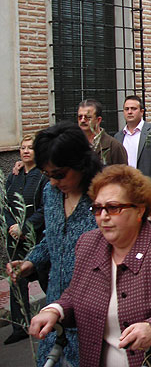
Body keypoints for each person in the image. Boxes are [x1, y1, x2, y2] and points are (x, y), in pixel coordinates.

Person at [28, 164, 151, 366]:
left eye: (113, 208)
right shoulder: (88, 244)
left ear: (139, 210)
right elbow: (77, 293)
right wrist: (56, 310)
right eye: (98, 208)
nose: (103, 216)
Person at [6, 122, 101, 366]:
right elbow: (53, 237)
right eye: (47, 175)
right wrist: (30, 262)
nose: (54, 181)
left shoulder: (104, 198)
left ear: (80, 163)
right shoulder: (50, 192)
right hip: (55, 306)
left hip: (94, 310)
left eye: (59, 174)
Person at [3, 135, 46, 345]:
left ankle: (54, 318)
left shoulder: (43, 177)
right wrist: (12, 225)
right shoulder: (15, 175)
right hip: (15, 238)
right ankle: (20, 326)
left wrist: (25, 226)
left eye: (30, 148)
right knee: (17, 281)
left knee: (45, 277)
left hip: (36, 237)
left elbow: (44, 208)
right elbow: (7, 201)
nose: (26, 151)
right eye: (23, 148)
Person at [77, 99, 127, 166]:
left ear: (98, 120)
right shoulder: (72, 144)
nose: (83, 120)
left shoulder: (114, 146)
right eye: (80, 117)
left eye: (87, 117)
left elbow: (123, 174)